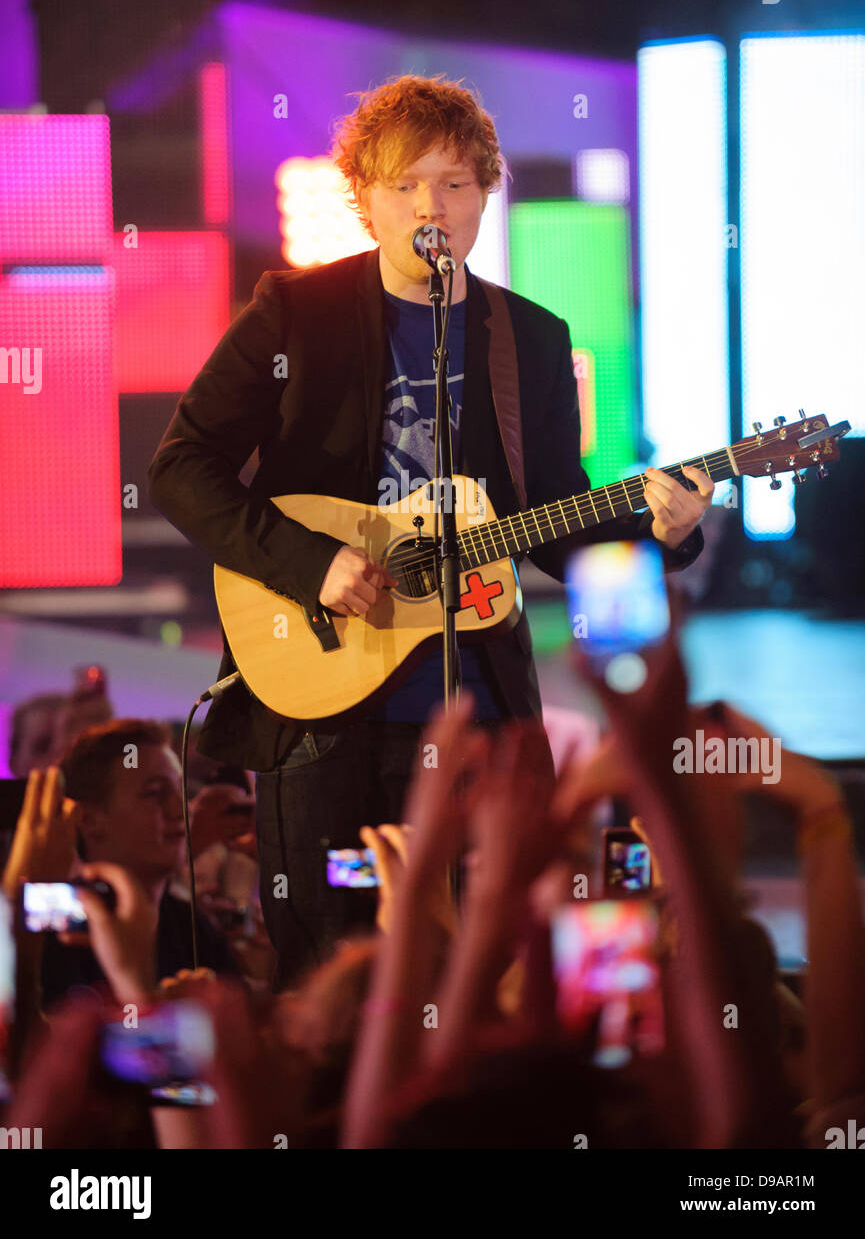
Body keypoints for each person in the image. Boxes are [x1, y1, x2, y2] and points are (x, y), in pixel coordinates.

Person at [147, 74, 712, 988]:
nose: (430, 205)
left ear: (486, 194)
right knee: (330, 966)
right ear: (363, 198)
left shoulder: (526, 336)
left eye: (454, 182)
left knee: (485, 960)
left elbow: (553, 518)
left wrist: (663, 537)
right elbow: (180, 466)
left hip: (476, 703)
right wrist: (312, 562)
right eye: (405, 182)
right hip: (323, 692)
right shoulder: (295, 312)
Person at [39, 719, 241, 1008]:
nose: (179, 808)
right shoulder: (57, 930)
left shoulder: (195, 928)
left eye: (181, 791)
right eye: (155, 793)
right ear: (89, 819)